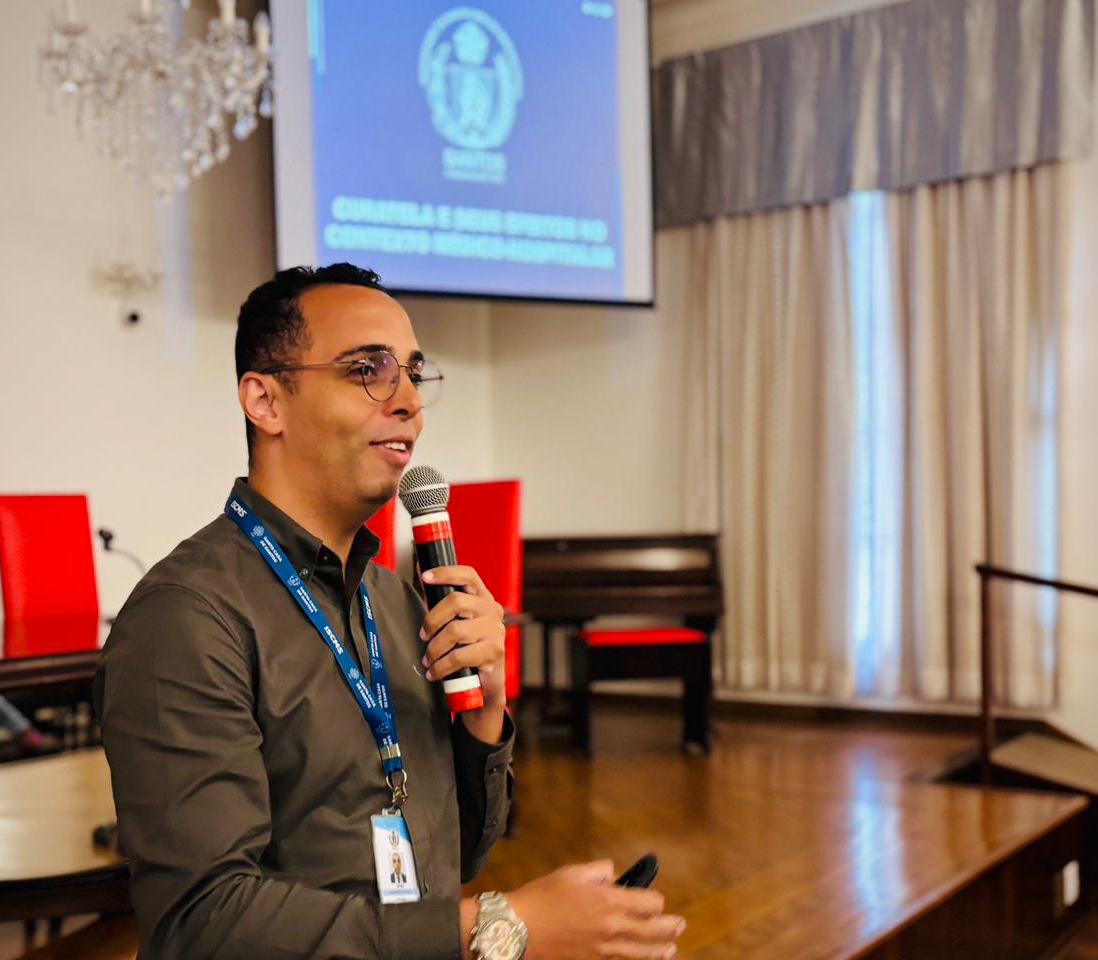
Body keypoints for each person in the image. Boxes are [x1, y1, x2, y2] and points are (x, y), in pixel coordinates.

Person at [96, 263, 686, 960]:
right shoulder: (187, 618)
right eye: (367, 371)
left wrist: (484, 715)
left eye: (413, 372)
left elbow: (453, 857)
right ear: (266, 401)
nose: (409, 401)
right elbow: (204, 922)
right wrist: (503, 927)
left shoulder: (398, 602)